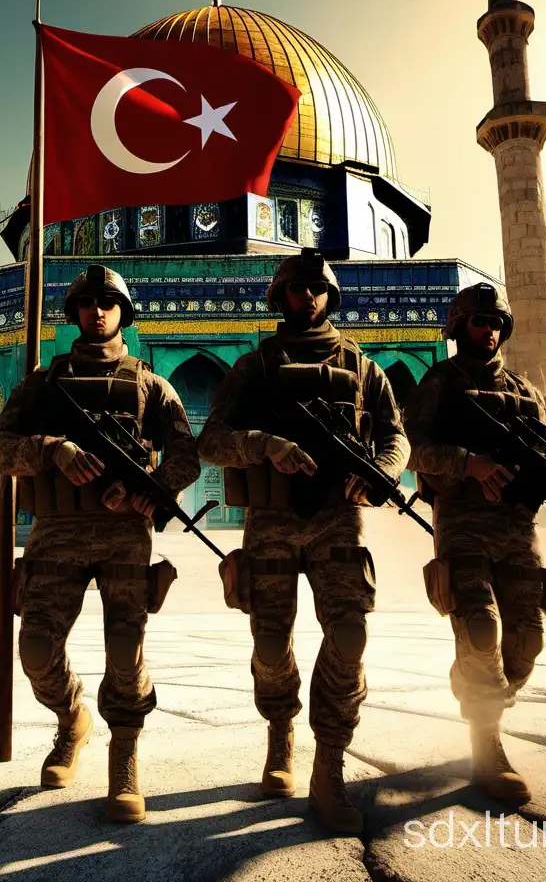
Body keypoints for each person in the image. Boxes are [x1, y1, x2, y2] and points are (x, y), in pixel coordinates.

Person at [197, 248, 409, 834]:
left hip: (337, 520)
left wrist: (381, 474)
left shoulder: (364, 368)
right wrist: (266, 446)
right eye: (297, 290)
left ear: (330, 295)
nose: (308, 299)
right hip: (272, 519)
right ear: (281, 297)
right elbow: (211, 440)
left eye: (317, 290)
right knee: (270, 644)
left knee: (348, 634)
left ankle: (330, 765)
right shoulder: (254, 368)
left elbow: (395, 437)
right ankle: (280, 730)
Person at [0, 265, 200, 824]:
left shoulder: (151, 384)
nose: (96, 311)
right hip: (55, 533)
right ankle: (71, 717)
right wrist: (53, 450)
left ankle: (123, 754)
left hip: (125, 535)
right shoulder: (41, 383)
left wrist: (150, 491)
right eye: (86, 303)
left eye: (107, 302)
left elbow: (185, 456)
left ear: (122, 312)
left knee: (126, 652)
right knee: (35, 651)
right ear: (74, 311)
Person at [402, 282, 546, 803]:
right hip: (462, 524)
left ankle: (479, 690)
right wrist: (467, 464)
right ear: (459, 326)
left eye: (497, 323)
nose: (490, 330)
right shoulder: (439, 381)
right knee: (481, 629)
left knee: (526, 643)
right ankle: (487, 743)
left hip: (518, 529)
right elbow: (409, 448)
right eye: (480, 322)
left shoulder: (525, 392)